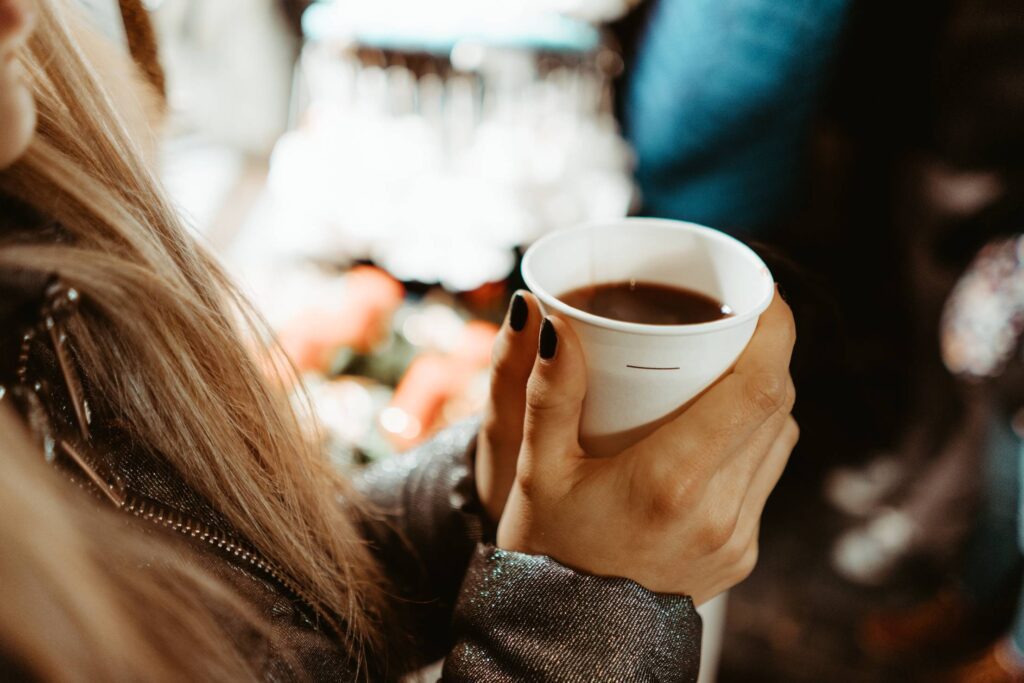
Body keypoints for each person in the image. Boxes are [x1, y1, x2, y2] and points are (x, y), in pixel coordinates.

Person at [0, 0, 799, 680]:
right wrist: (590, 615)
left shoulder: (39, 197)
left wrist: (474, 499)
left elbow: (250, 610)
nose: (20, 13)